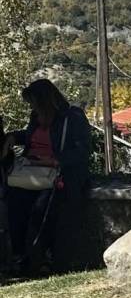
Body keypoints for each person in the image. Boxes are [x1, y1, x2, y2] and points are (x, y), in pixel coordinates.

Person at [1, 79, 91, 273]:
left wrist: (55, 160)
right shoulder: (36, 117)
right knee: (15, 207)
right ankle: (21, 257)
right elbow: (29, 136)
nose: (31, 107)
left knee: (41, 211)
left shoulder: (72, 117)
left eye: (33, 102)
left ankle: (39, 259)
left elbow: (82, 151)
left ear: (44, 101)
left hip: (55, 175)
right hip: (32, 172)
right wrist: (13, 138)